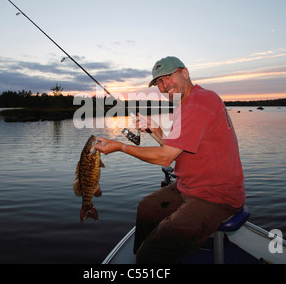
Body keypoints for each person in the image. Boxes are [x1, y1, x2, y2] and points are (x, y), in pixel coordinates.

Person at [95, 56, 246, 263]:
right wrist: (156, 130)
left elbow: (166, 158)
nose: (164, 85)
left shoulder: (200, 101)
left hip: (216, 196)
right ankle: (143, 258)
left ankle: (149, 257)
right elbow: (177, 150)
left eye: (168, 76)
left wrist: (120, 146)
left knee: (155, 251)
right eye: (158, 82)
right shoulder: (187, 104)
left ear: (185, 72)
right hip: (190, 187)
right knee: (147, 208)